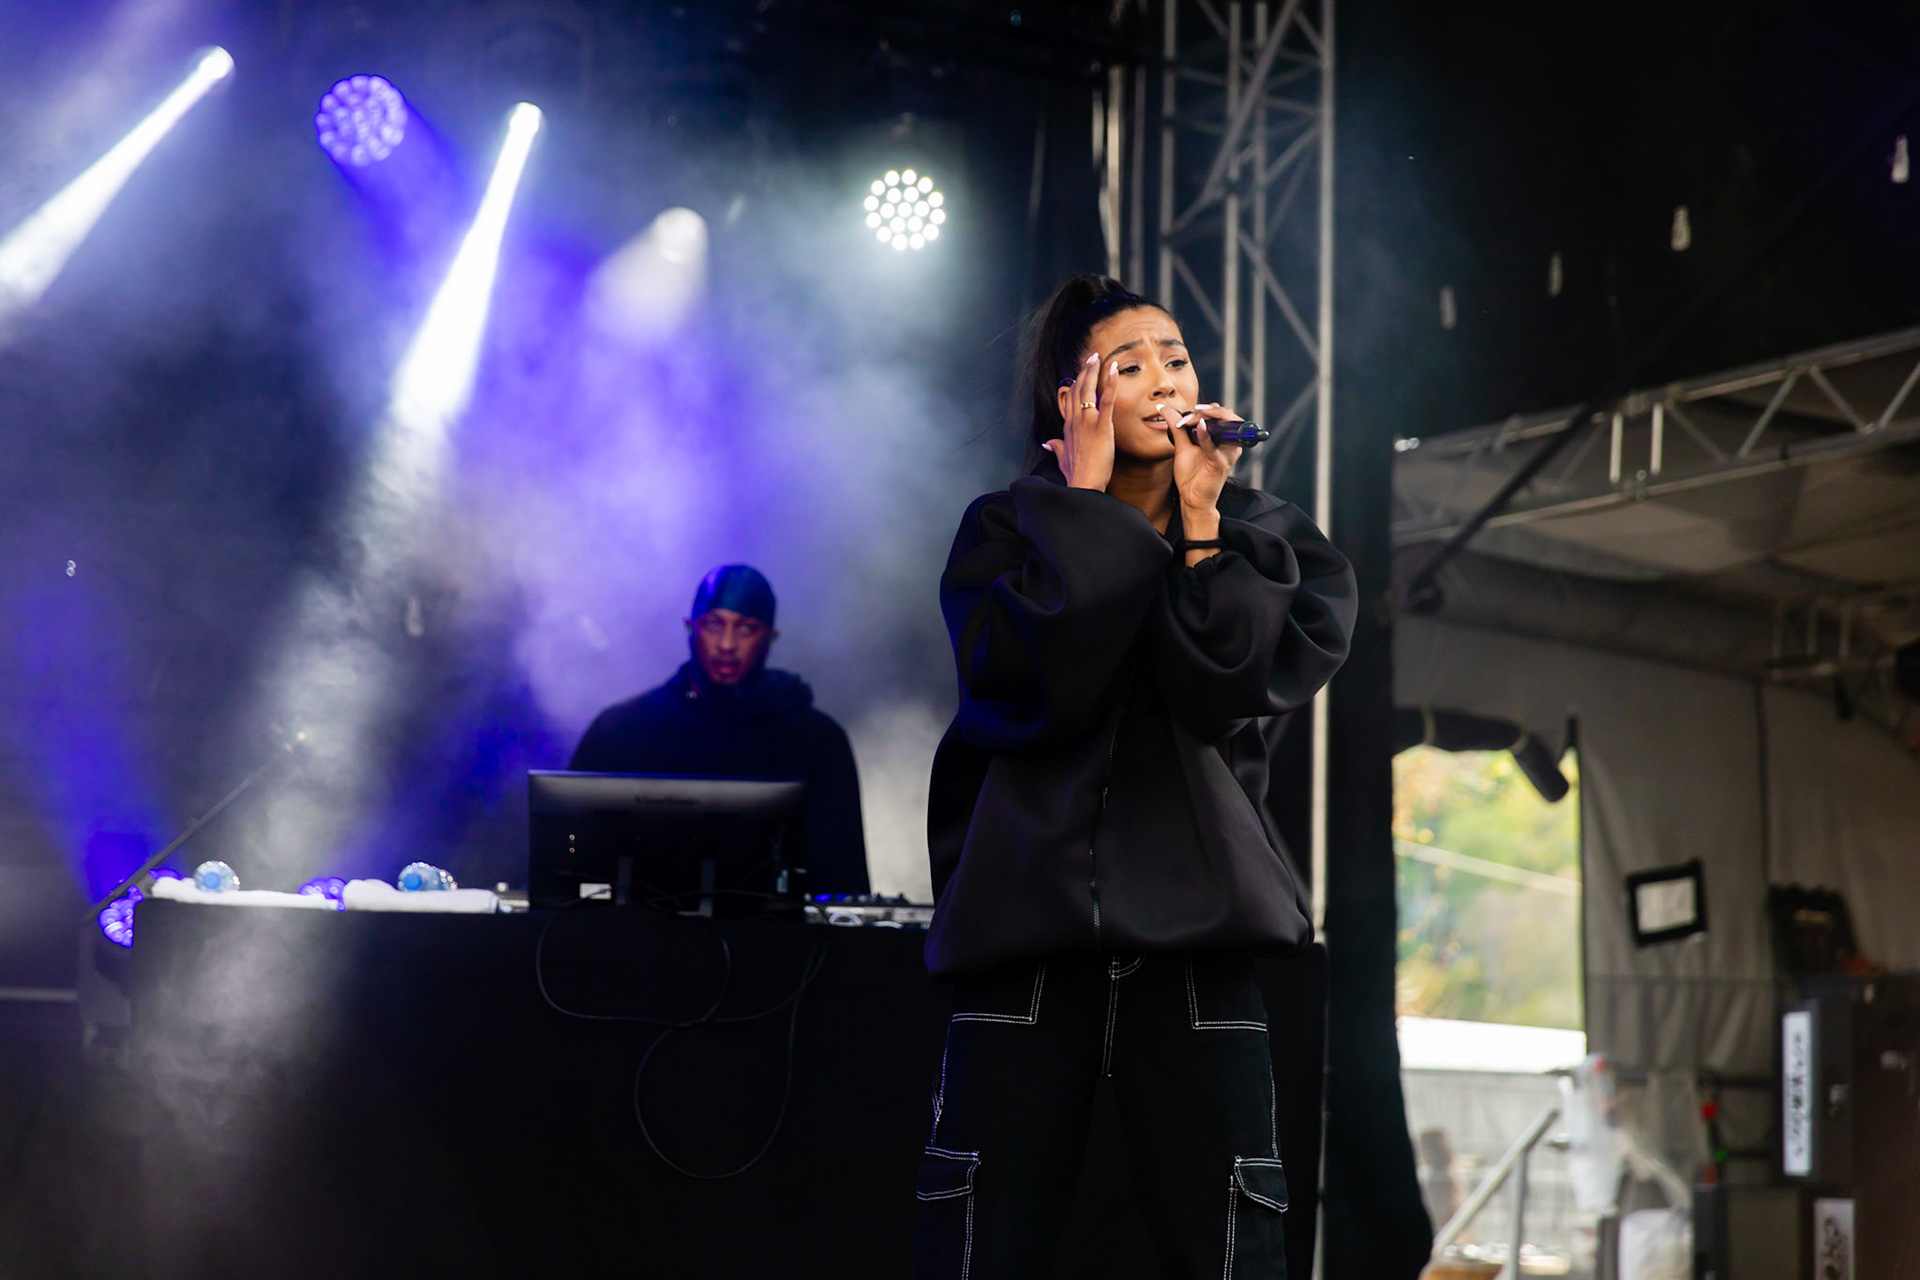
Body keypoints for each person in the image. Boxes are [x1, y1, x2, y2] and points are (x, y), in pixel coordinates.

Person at [914, 275, 1356, 1278]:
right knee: (980, 1234)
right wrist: (1083, 507)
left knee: (1234, 1242)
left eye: (1177, 358)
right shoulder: (1007, 533)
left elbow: (1224, 685)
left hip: (1197, 945)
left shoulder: (1263, 537)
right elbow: (1041, 685)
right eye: (1129, 364)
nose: (1164, 379)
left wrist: (1200, 521)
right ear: (1073, 400)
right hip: (1028, 941)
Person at [569, 564, 870, 896]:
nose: (727, 644)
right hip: (635, 939)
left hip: (778, 944)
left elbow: (843, 888)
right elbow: (566, 863)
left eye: (745, 628)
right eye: (714, 624)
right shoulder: (619, 732)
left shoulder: (818, 741)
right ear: (690, 629)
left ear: (770, 638)